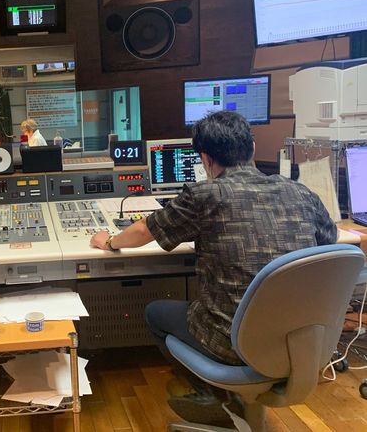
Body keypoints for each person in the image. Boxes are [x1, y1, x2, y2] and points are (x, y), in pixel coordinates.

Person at [90, 111, 336, 425]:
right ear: (252, 147)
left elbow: (141, 232)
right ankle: (234, 399)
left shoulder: (204, 195)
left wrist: (109, 241)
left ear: (206, 158)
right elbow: (328, 243)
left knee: (155, 313)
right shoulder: (300, 192)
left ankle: (212, 396)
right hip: (300, 339)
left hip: (232, 342)